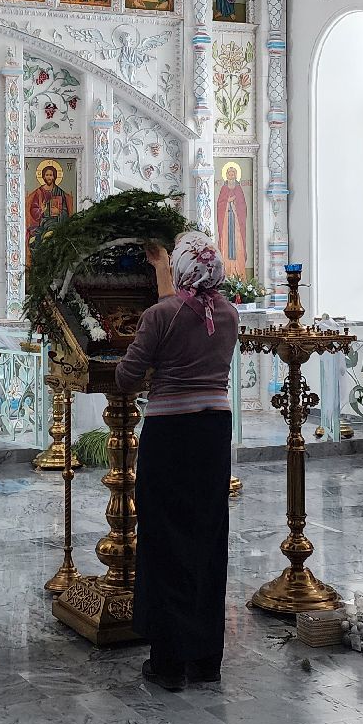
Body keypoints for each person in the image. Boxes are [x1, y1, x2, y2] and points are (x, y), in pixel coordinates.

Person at [115, 232, 238, 692]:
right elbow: (187, 317)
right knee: (207, 537)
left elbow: (127, 377)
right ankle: (206, 660)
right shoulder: (228, 313)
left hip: (169, 435)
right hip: (213, 435)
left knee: (166, 541)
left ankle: (167, 664)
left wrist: (147, 365)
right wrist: (162, 271)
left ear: (185, 267)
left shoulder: (158, 315)